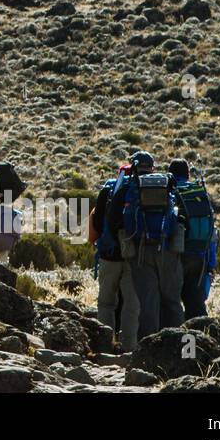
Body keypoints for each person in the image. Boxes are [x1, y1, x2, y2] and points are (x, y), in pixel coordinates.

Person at [105, 150, 187, 341]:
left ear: (133, 166)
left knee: (148, 304)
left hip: (140, 253)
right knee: (173, 302)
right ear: (152, 168)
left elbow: (112, 220)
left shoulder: (128, 188)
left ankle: (149, 351)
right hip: (168, 250)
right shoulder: (167, 184)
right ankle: (183, 351)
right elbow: (182, 217)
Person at [91, 169, 139, 351]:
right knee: (131, 305)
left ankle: (105, 346)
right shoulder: (146, 189)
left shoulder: (110, 189)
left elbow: (96, 224)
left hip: (109, 254)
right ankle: (128, 349)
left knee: (106, 303)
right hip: (133, 257)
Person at [170, 159, 216, 320]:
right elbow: (212, 232)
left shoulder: (171, 192)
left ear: (170, 174)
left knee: (171, 301)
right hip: (200, 255)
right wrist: (211, 263)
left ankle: (175, 337)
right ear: (188, 174)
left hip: (177, 253)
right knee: (195, 302)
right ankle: (199, 335)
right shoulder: (199, 194)